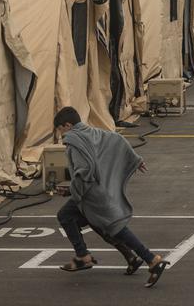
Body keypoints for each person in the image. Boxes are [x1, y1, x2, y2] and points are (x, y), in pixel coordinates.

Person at [53, 107, 169, 288]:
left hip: (92, 195)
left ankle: (151, 259)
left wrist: (72, 191)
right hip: (99, 191)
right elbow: (117, 139)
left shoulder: (73, 140)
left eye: (60, 129)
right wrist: (135, 160)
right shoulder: (92, 131)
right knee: (95, 222)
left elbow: (84, 172)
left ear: (67, 125)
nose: (60, 135)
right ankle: (127, 257)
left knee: (112, 226)